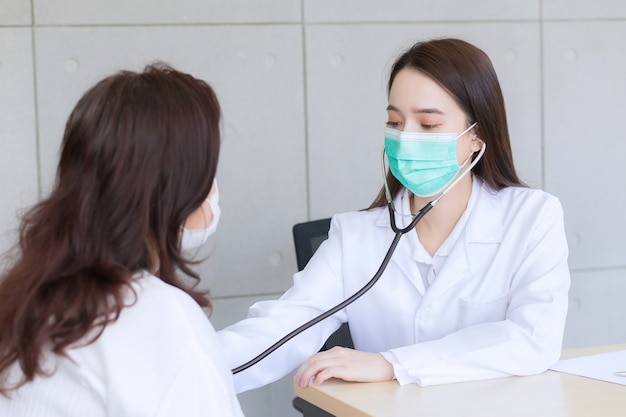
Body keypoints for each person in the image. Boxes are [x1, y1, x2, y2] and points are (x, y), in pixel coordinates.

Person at [218, 38, 570, 392]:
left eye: (428, 125)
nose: (406, 138)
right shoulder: (354, 237)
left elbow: (534, 338)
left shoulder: (532, 217)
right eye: (395, 122)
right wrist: (185, 364)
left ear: (476, 134)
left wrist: (393, 363)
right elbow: (281, 329)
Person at [0, 64, 244, 416]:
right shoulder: (158, 317)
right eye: (207, 172)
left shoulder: (28, 300)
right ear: (174, 186)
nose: (212, 190)